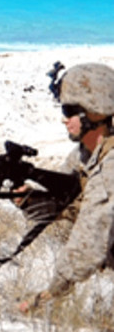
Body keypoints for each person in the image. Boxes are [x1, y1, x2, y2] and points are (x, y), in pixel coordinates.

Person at [18, 62, 114, 313]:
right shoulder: (84, 155)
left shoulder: (110, 168)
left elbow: (89, 241)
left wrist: (49, 294)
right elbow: (64, 203)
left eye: (69, 111)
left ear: (95, 113)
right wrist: (29, 199)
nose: (64, 119)